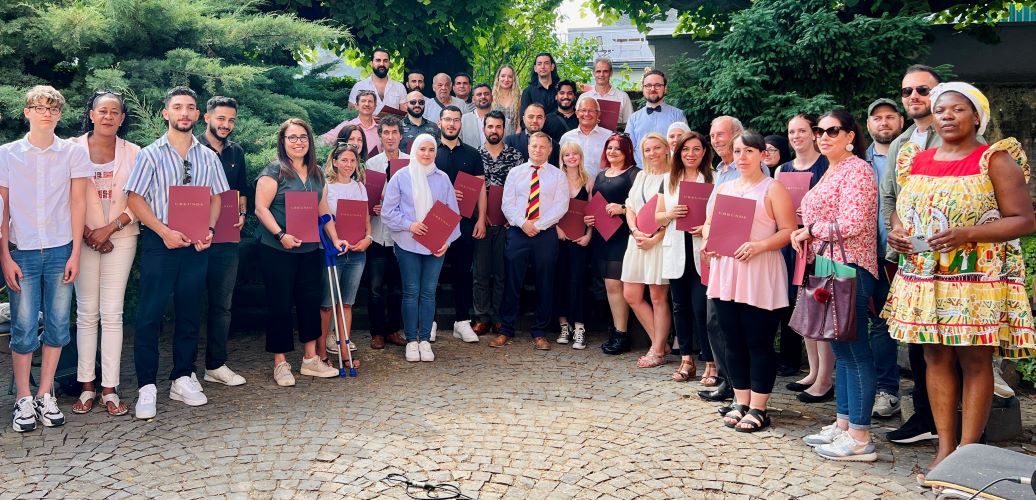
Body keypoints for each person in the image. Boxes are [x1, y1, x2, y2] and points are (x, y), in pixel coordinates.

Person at [883, 83, 1036, 476]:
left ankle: (969, 456)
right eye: (941, 109)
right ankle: (944, 449)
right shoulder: (915, 159)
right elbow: (903, 210)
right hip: (925, 276)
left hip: (975, 280)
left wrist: (967, 233)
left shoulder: (995, 159)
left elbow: (1024, 220)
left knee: (974, 359)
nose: (947, 115)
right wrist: (897, 230)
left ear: (976, 117)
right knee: (934, 356)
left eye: (957, 109)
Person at [124, 86, 230, 418]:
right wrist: (163, 231)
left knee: (188, 314)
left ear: (198, 116)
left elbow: (216, 197)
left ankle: (182, 376)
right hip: (161, 243)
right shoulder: (150, 154)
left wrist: (209, 230)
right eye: (177, 107)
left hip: (196, 245)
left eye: (190, 108)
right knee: (150, 316)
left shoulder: (208, 156)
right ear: (166, 113)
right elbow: (135, 199)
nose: (184, 113)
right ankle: (146, 386)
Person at [792, 109, 879, 460]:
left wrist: (810, 231)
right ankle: (844, 424)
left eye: (833, 131)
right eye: (819, 131)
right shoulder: (833, 168)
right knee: (842, 352)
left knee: (856, 354)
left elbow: (853, 223)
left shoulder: (857, 170)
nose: (823, 136)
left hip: (852, 269)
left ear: (850, 136)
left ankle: (860, 436)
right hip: (832, 266)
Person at [2, 85, 89, 431]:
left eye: (53, 109)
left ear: (59, 114)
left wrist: (76, 253)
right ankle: (23, 398)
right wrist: (5, 257)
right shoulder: (7, 154)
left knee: (56, 325)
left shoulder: (72, 154)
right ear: (27, 112)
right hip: (21, 251)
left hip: (60, 249)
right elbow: (2, 209)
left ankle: (44, 393)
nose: (46, 113)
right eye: (39, 107)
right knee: (23, 328)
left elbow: (78, 204)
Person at [879, 65, 953, 445]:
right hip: (911, 257)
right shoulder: (900, 143)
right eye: (907, 91)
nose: (913, 97)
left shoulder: (960, 134)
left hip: (955, 257)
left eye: (922, 89)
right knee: (920, 342)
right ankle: (925, 417)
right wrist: (895, 231)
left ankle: (966, 429)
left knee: (957, 343)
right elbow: (891, 196)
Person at [704, 130, 795, 433]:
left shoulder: (773, 188)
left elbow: (788, 230)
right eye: (738, 151)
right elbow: (709, 224)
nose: (742, 157)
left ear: (761, 155)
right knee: (732, 340)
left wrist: (760, 246)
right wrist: (708, 242)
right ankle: (740, 400)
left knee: (758, 341)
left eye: (748, 152)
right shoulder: (725, 187)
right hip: (727, 270)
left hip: (759, 271)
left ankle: (759, 407)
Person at [253, 118, 346, 386]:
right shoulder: (274, 171)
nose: (298, 142)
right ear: (283, 142)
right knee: (280, 304)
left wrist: (336, 238)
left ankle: (310, 360)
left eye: (303, 137)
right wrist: (280, 235)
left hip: (309, 249)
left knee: (309, 302)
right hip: (277, 249)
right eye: (292, 137)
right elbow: (261, 208)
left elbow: (323, 209)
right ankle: (280, 363)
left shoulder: (316, 172)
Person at [70, 90, 140, 417]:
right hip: (80, 238)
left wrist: (109, 229)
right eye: (103, 111)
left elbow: (143, 199)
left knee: (112, 313)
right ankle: (86, 385)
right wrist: (88, 233)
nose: (109, 116)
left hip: (121, 238)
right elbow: (62, 196)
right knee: (86, 313)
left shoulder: (135, 153)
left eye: (115, 112)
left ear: (122, 118)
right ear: (92, 114)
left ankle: (109, 389)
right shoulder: (71, 149)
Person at [381, 134, 461, 361]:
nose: (426, 154)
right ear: (414, 150)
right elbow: (388, 212)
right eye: (422, 149)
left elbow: (452, 213)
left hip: (436, 247)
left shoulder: (443, 178)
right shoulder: (400, 177)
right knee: (411, 292)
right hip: (408, 244)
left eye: (431, 150)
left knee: (428, 293)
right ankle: (411, 341)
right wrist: (410, 225)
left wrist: (446, 242)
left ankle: (425, 339)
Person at [489, 132, 568, 350]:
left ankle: (540, 332)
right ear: (529, 147)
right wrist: (523, 223)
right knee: (512, 280)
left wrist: (538, 225)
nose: (538, 150)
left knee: (545, 282)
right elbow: (507, 203)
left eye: (543, 147)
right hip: (518, 231)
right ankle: (506, 329)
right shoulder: (515, 173)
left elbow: (561, 206)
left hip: (545, 234)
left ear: (550, 150)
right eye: (534, 146)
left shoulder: (558, 176)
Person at [777, 114, 832, 398]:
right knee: (803, 309)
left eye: (802, 130)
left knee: (820, 310)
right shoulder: (783, 169)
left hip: (821, 244)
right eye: (791, 132)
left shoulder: (826, 165)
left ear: (814, 134)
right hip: (793, 245)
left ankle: (825, 378)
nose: (796, 136)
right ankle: (812, 371)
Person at [197, 96, 250, 387]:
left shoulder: (236, 152)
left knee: (222, 305)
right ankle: (185, 369)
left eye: (231, 120)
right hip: (194, 236)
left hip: (227, 238)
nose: (226, 125)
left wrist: (242, 212)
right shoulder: (191, 148)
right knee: (189, 302)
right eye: (221, 119)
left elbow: (241, 189)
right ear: (207, 117)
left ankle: (216, 365)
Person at [655, 132, 714, 384]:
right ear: (678, 153)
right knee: (680, 307)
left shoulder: (714, 178)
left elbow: (719, 214)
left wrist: (707, 227)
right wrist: (670, 214)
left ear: (704, 152)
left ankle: (711, 363)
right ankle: (686, 360)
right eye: (685, 149)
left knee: (702, 309)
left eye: (696, 149)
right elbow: (656, 217)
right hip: (676, 249)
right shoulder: (668, 179)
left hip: (702, 249)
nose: (691, 154)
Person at [698, 115, 747, 403]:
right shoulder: (720, 170)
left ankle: (738, 384)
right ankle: (727, 380)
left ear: (738, 135)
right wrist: (706, 237)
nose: (715, 140)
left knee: (728, 322)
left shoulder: (747, 168)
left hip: (736, 257)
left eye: (721, 135)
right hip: (716, 254)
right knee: (714, 321)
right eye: (713, 135)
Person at [864, 98, 905, 418]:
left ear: (901, 122)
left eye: (890, 117)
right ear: (867, 125)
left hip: (911, 253)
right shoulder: (859, 161)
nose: (884, 123)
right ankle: (887, 391)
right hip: (873, 255)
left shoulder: (913, 156)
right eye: (877, 118)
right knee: (880, 324)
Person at [434, 106, 486, 343]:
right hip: (435, 221)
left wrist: (481, 218)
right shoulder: (430, 151)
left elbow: (481, 189)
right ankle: (430, 322)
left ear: (460, 125)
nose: (452, 124)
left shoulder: (473, 155)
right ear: (440, 122)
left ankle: (462, 322)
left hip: (465, 222)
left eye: (456, 120)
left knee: (463, 273)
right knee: (432, 274)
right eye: (448, 120)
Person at [586, 134, 640, 355]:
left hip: (623, 237)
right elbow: (592, 205)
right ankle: (616, 329)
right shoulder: (600, 176)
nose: (613, 152)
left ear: (627, 151)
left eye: (618, 148)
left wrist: (624, 209)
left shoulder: (635, 174)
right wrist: (588, 218)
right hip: (601, 236)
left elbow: (644, 207)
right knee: (607, 286)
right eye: (609, 148)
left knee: (615, 285)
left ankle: (622, 334)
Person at [621, 133, 671, 368]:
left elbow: (672, 216)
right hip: (637, 240)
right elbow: (630, 207)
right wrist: (634, 231)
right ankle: (659, 342)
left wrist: (655, 238)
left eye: (657, 148)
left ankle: (658, 350)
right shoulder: (641, 175)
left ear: (667, 149)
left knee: (657, 297)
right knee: (631, 294)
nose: (652, 153)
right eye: (648, 149)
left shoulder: (673, 177)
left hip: (659, 243)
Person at [317, 144, 370, 368]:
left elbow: (366, 219)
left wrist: (368, 238)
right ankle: (321, 354)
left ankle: (344, 351)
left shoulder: (360, 187)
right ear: (335, 162)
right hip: (332, 251)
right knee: (327, 305)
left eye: (353, 160)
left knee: (346, 304)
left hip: (357, 252)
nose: (349, 165)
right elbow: (323, 218)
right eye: (344, 160)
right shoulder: (327, 186)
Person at [472, 111, 524, 335]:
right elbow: (470, 190)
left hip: (507, 224)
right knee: (480, 272)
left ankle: (499, 317)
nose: (494, 130)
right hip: (480, 221)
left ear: (505, 129)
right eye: (490, 126)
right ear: (484, 128)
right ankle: (482, 316)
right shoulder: (474, 155)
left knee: (502, 273)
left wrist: (512, 219)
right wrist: (479, 217)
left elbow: (523, 191)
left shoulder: (515, 156)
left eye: (498, 126)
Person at [363, 116, 408, 349]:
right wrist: (374, 206)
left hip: (402, 235)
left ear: (401, 135)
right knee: (376, 288)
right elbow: (365, 199)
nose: (390, 137)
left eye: (394, 132)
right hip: (379, 233)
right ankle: (377, 332)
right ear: (380, 136)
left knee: (398, 288)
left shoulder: (412, 162)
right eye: (386, 133)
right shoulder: (371, 165)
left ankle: (393, 330)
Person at [554, 141, 593, 349]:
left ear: (580, 157)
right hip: (558, 238)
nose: (571, 157)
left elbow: (592, 212)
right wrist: (556, 230)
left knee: (578, 281)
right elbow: (549, 208)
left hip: (580, 241)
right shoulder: (556, 179)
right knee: (559, 280)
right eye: (567, 154)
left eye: (574, 154)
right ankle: (563, 325)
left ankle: (579, 327)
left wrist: (588, 235)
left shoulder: (589, 181)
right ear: (562, 157)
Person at [626, 69, 686, 166]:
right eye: (648, 85)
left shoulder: (678, 115)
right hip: (641, 173)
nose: (653, 89)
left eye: (658, 85)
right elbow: (628, 149)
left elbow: (684, 145)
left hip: (670, 172)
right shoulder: (633, 118)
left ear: (665, 88)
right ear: (643, 89)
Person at [560, 95, 611, 181]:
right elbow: (561, 164)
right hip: (573, 188)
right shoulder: (566, 137)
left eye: (591, 111)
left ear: (598, 114)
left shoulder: (609, 137)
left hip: (602, 186)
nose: (586, 114)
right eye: (583, 110)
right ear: (577, 114)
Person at [348, 48, 407, 115]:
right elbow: (351, 113)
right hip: (366, 125)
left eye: (385, 61)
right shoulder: (358, 87)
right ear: (371, 63)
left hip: (393, 125)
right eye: (378, 60)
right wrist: (369, 119)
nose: (382, 64)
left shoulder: (399, 87)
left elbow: (404, 114)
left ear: (389, 64)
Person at [322, 90, 381, 156]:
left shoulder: (381, 130)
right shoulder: (347, 126)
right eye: (363, 101)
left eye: (370, 101)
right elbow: (323, 140)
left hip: (375, 166)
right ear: (356, 106)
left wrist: (393, 165)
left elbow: (391, 153)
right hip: (350, 164)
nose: (367, 104)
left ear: (375, 106)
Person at [586, 58, 633, 129]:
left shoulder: (623, 97)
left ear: (611, 73)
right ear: (593, 73)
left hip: (615, 138)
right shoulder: (584, 97)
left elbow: (630, 124)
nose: (601, 75)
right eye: (598, 71)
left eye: (605, 71)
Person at [520, 52, 559, 118]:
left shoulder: (560, 89)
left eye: (546, 63)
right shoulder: (528, 92)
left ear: (552, 67)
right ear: (535, 68)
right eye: (539, 64)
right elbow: (523, 118)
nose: (543, 67)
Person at [460, 83, 493, 149]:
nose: (483, 97)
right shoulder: (463, 120)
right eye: (479, 94)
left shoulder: (504, 121)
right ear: (473, 99)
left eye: (486, 94)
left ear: (492, 97)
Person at [492, 64, 521, 134]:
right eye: (503, 76)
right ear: (498, 78)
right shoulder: (491, 97)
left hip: (513, 137)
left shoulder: (519, 98)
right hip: (494, 136)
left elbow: (519, 123)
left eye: (510, 77)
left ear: (513, 79)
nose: (506, 79)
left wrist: (515, 139)